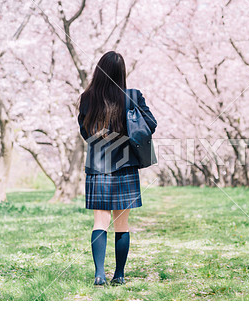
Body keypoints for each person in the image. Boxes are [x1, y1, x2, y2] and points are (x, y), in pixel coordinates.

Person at [77, 51, 157, 287]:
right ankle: (119, 275)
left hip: (97, 166)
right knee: (121, 224)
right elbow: (151, 124)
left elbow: (85, 132)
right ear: (122, 73)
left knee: (99, 223)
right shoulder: (132, 96)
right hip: (126, 165)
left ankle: (99, 274)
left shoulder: (87, 97)